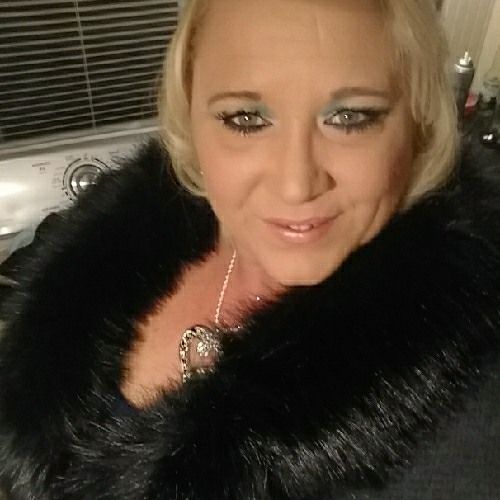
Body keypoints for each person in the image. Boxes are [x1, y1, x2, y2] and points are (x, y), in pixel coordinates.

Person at [0, 0, 499, 498]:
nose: (296, 184)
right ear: (190, 116)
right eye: (245, 118)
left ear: (418, 125)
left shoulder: (474, 422)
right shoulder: (112, 241)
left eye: (350, 117)